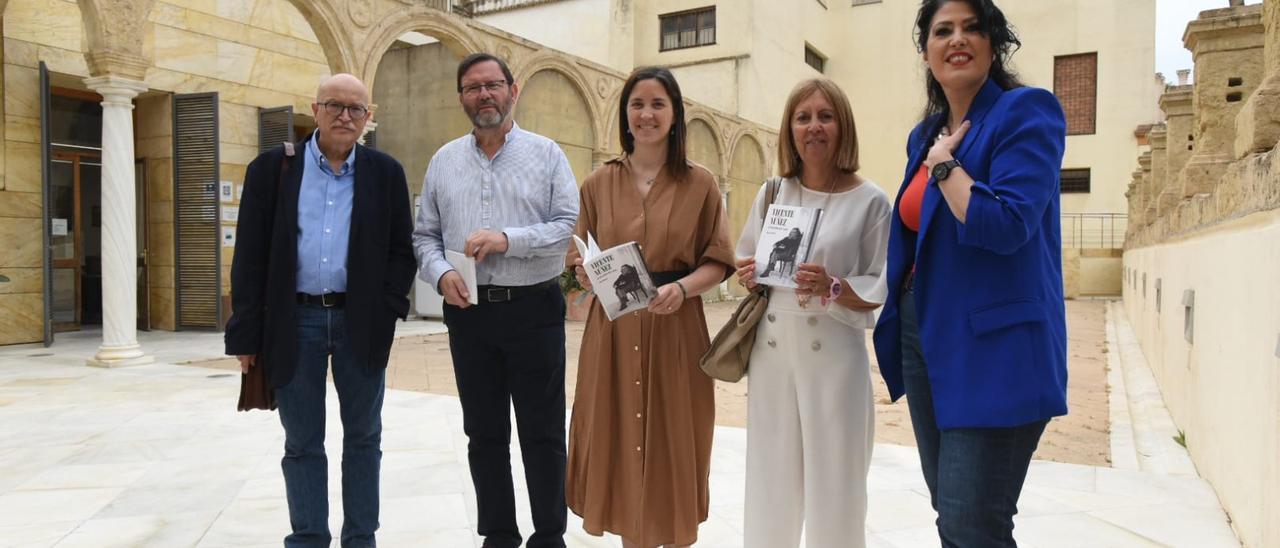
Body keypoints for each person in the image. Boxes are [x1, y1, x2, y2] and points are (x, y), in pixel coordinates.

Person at [871, 1, 1069, 546]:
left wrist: (944, 166)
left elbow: (1005, 224)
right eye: (942, 31)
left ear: (993, 42)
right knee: (954, 513)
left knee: (971, 521)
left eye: (971, 27)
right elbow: (917, 232)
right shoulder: (926, 134)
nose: (957, 39)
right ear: (927, 51)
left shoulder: (1026, 112)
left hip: (995, 345)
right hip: (926, 336)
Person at [225, 73, 416, 548]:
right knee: (302, 442)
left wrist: (387, 310)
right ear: (315, 110)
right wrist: (244, 337)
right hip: (294, 322)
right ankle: (309, 537)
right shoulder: (271, 170)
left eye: (357, 109)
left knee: (364, 439)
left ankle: (360, 538)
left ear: (369, 118)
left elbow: (401, 252)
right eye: (335, 105)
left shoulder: (386, 173)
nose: (345, 116)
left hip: (361, 324)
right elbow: (248, 256)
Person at [412, 52, 579, 548]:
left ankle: (549, 535)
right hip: (469, 314)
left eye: (493, 85)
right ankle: (499, 535)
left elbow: (565, 225)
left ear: (513, 90)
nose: (484, 95)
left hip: (534, 309)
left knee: (543, 432)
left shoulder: (547, 154)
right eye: (472, 87)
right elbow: (424, 235)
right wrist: (441, 273)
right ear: (461, 97)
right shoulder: (443, 161)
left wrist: (508, 238)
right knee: (483, 433)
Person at [566, 67, 733, 548]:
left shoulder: (701, 184)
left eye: (658, 104)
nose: (647, 114)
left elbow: (717, 260)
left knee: (676, 445)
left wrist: (681, 289)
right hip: (613, 333)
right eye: (637, 104)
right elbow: (580, 254)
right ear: (625, 114)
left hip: (676, 329)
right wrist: (585, 275)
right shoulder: (598, 183)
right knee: (619, 442)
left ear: (675, 113)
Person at [733, 78, 890, 548]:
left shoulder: (871, 201)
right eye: (803, 117)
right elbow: (747, 256)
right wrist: (749, 272)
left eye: (826, 116)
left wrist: (834, 285)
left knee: (837, 485)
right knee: (770, 480)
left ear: (843, 126)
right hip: (774, 353)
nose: (814, 127)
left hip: (835, 357)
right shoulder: (772, 192)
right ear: (789, 129)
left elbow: (879, 284)